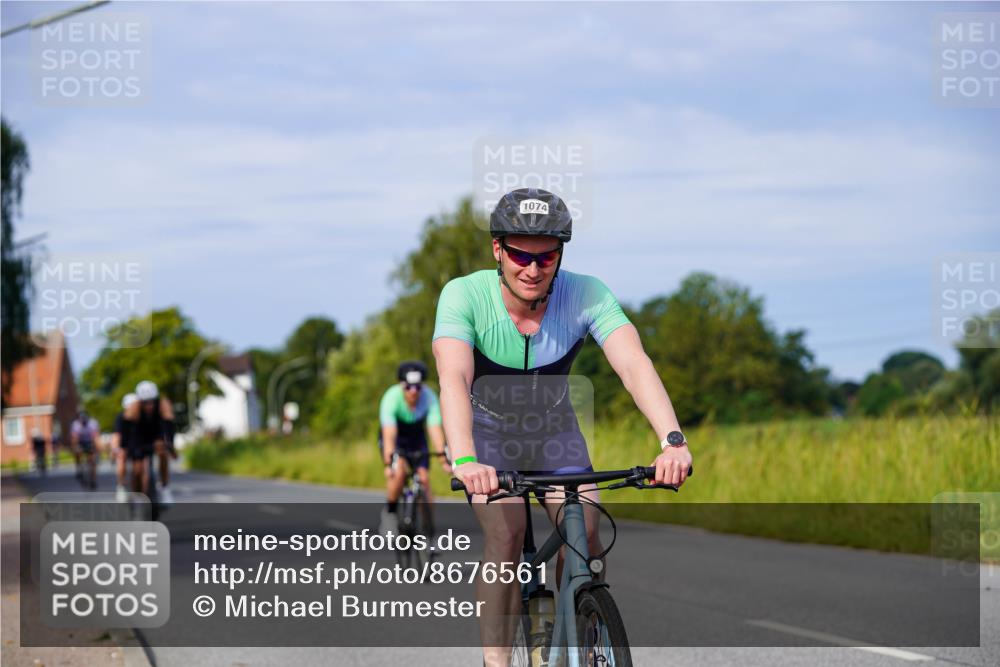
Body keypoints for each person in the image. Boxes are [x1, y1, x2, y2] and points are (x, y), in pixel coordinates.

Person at [432, 187, 693, 665]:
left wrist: (672, 440)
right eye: (519, 255)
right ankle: (497, 662)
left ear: (560, 255)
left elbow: (634, 364)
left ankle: (582, 640)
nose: (532, 269)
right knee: (506, 535)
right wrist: (465, 457)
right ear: (497, 249)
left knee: (586, 535)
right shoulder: (464, 295)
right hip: (487, 435)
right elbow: (453, 379)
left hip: (553, 432)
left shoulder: (586, 293)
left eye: (546, 257)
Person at [378, 361, 451, 535]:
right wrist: (389, 464)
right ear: (401, 386)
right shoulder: (391, 398)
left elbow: (435, 430)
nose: (414, 392)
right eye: (409, 387)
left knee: (424, 480)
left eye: (418, 387)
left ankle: (429, 532)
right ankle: (390, 513)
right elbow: (389, 435)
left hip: (417, 438)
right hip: (396, 438)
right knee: (400, 472)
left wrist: (444, 460)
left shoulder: (429, 397)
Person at [124, 381, 176, 504]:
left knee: (163, 453)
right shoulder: (133, 409)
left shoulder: (163, 405)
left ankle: (164, 488)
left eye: (151, 401)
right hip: (138, 439)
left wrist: (170, 445)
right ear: (140, 401)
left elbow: (169, 427)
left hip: (155, 437)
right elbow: (127, 434)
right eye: (145, 402)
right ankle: (137, 494)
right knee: (137, 469)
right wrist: (128, 450)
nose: (149, 405)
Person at [112, 393, 138, 502]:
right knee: (121, 459)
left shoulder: (143, 417)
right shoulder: (120, 418)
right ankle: (121, 486)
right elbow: (116, 436)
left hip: (138, 444)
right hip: (125, 445)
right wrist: (116, 450)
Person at [70, 410, 100, 490]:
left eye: (84, 421)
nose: (83, 423)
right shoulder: (76, 425)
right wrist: (75, 448)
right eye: (81, 421)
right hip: (80, 442)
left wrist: (97, 449)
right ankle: (79, 468)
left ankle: (93, 480)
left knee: (92, 461)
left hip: (90, 441)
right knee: (77, 452)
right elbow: (74, 438)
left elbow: (95, 436)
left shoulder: (92, 423)